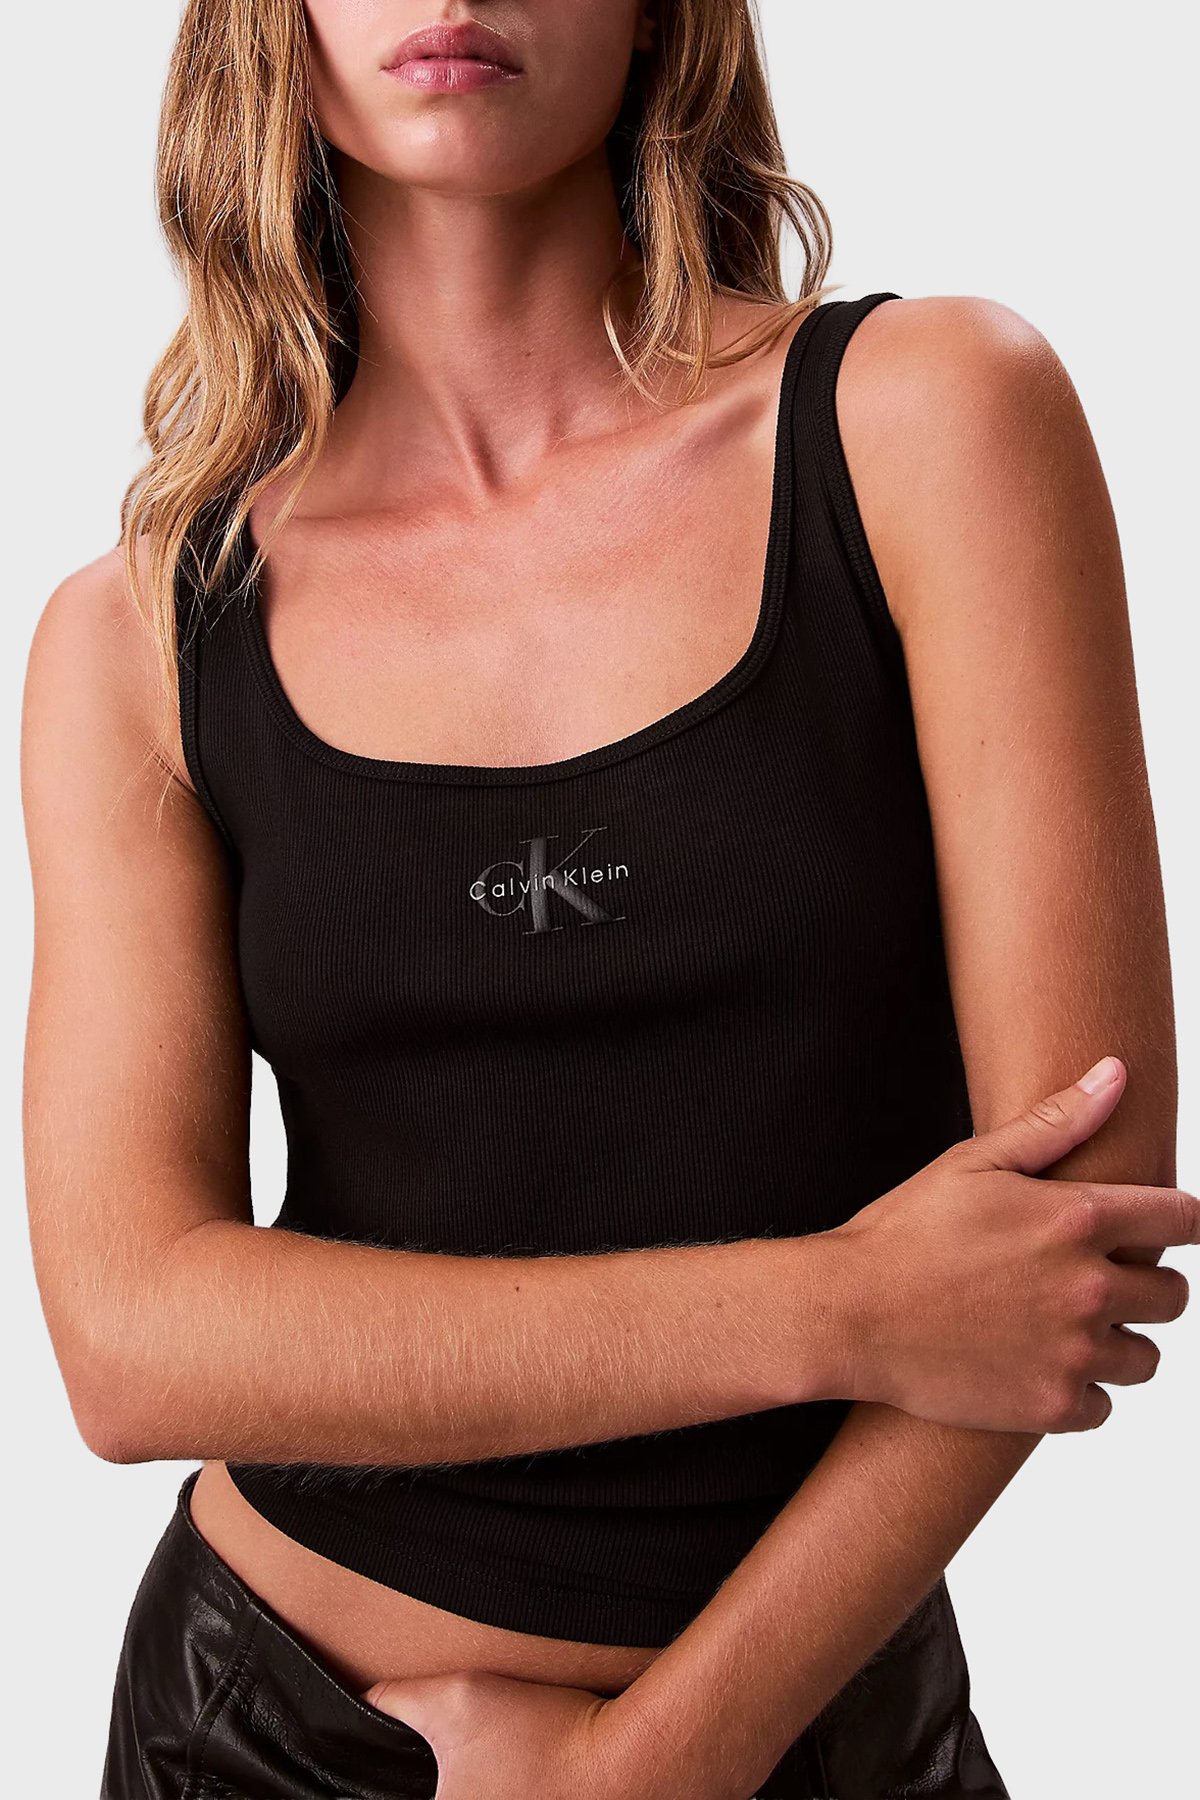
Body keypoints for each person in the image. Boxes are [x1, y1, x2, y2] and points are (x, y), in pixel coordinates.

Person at [20, 4, 1195, 1798]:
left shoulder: (931, 419)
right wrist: (842, 1305)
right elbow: (132, 1340)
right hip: (269, 1727)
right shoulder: (139, 641)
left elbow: (1081, 1206)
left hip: (815, 1729)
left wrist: (644, 1768)